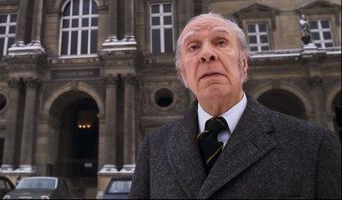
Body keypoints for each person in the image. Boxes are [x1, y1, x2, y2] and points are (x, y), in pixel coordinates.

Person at [129, 13, 341, 199]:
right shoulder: (153, 148)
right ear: (182, 74)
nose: (207, 54)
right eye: (193, 47)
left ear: (244, 63)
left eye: (220, 42)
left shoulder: (314, 145)